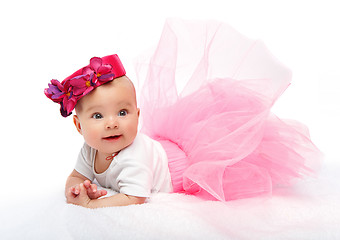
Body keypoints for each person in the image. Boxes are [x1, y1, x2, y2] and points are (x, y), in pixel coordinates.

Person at [45, 19, 322, 208]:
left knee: (232, 156)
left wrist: (94, 204)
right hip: (163, 149)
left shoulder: (133, 157)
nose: (113, 123)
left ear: (138, 116)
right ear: (79, 127)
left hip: (179, 167)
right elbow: (76, 177)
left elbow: (133, 198)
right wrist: (76, 190)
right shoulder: (90, 151)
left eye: (122, 111)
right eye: (97, 116)